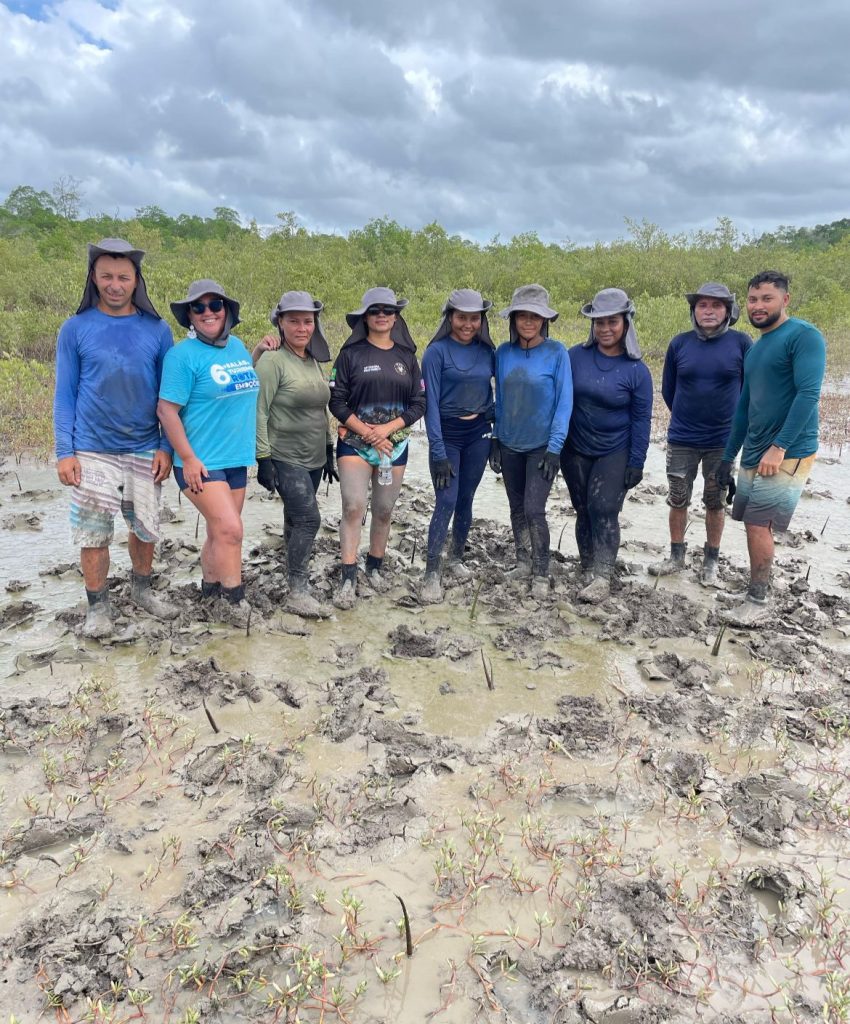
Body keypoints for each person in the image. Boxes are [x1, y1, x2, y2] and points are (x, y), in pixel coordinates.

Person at [53, 237, 178, 639]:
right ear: (93, 277)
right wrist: (64, 452)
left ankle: (142, 590)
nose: (115, 284)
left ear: (136, 280)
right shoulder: (75, 328)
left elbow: (171, 398)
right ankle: (99, 607)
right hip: (91, 448)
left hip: (145, 445)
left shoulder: (158, 330)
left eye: (123, 276)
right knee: (93, 531)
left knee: (144, 527)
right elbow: (65, 393)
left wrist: (166, 446)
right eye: (106, 275)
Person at [717, 271, 826, 625]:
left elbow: (809, 393)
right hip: (755, 448)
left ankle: (758, 603)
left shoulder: (804, 337)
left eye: (767, 298)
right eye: (753, 299)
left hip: (788, 450)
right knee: (750, 521)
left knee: (758, 523)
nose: (758, 306)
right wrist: (727, 456)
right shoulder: (757, 347)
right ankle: (754, 588)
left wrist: (779, 446)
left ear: (785, 300)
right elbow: (745, 406)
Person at [157, 280, 259, 626]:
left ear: (227, 311)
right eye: (198, 308)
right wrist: (187, 458)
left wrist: (257, 354)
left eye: (215, 305)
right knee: (232, 530)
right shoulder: (181, 357)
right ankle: (235, 602)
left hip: (235, 458)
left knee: (220, 532)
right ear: (189, 316)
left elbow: (240, 383)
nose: (207, 313)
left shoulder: (239, 347)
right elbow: (166, 411)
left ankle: (210, 591)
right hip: (200, 462)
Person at [327, 287, 426, 610]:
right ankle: (348, 575)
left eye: (387, 310)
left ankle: (375, 566)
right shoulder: (350, 355)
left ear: (396, 317)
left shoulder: (407, 358)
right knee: (354, 506)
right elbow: (336, 401)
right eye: (375, 311)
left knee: (384, 511)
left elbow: (419, 403)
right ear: (365, 318)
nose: (381, 316)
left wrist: (387, 430)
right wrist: (368, 432)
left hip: (393, 446)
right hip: (355, 442)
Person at [650, 283, 752, 584]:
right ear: (693, 310)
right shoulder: (679, 344)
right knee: (678, 498)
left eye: (716, 305)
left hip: (723, 441)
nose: (709, 311)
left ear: (729, 311)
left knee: (715, 501)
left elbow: (750, 392)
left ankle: (710, 561)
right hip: (682, 438)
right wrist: (687, 417)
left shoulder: (742, 343)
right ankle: (676, 557)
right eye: (702, 305)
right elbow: (668, 390)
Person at [561, 288, 653, 602]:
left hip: (615, 448)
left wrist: (637, 461)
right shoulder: (574, 356)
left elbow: (642, 419)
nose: (605, 329)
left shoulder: (637, 370)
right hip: (575, 447)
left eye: (612, 322)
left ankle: (602, 574)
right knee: (583, 509)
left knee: (605, 508)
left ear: (625, 323)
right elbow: (558, 401)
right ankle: (586, 565)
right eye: (599, 322)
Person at [254, 291, 337, 618]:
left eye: (308, 321)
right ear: (280, 323)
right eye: (294, 321)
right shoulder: (273, 361)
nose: (302, 327)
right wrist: (263, 458)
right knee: (309, 518)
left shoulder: (312, 360)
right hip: (285, 455)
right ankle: (298, 590)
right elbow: (259, 411)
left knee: (293, 518)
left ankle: (291, 577)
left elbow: (320, 409)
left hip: (314, 456)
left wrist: (328, 448)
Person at [490, 284, 572, 600]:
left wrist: (555, 448)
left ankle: (541, 571)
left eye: (534, 317)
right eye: (522, 316)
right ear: (513, 320)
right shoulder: (503, 352)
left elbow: (564, 403)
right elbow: (499, 398)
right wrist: (495, 439)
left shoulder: (557, 353)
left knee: (534, 508)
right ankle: (522, 561)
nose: (528, 322)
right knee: (516, 507)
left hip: (542, 446)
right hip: (509, 442)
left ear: (544, 320)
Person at [419, 289, 495, 604]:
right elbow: (430, 404)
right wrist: (437, 450)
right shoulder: (435, 352)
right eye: (461, 317)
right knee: (446, 499)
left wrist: (498, 435)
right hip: (446, 433)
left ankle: (457, 558)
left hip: (478, 433)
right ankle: (432, 572)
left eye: (474, 318)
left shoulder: (489, 352)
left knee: (466, 498)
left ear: (481, 320)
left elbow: (498, 394)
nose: (467, 324)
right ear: (450, 317)